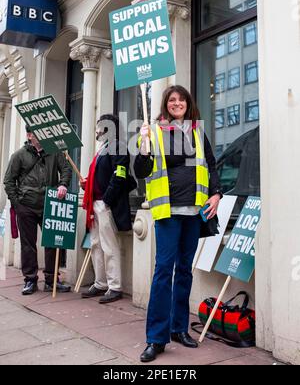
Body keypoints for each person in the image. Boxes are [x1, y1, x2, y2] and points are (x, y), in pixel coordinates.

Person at [134, 85, 222, 362]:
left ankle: (179, 329)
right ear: (165, 104)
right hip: (168, 213)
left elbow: (211, 163)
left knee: (184, 271)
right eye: (171, 100)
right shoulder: (154, 131)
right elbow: (140, 171)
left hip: (194, 212)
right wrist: (143, 147)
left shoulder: (197, 130)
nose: (176, 103)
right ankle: (156, 338)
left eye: (181, 99)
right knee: (163, 272)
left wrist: (216, 194)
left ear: (188, 103)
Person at [3, 125, 72, 295]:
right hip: (26, 205)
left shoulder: (54, 152)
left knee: (53, 243)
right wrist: (17, 203)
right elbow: (9, 181)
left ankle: (51, 280)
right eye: (37, 133)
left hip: (50, 203)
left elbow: (66, 169)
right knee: (28, 245)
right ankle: (30, 280)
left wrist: (63, 184)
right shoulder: (19, 155)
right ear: (29, 135)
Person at [80, 114, 135, 303]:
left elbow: (119, 176)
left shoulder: (118, 147)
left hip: (105, 204)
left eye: (99, 127)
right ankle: (100, 282)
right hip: (95, 203)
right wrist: (86, 184)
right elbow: (102, 177)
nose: (96, 130)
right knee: (96, 244)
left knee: (109, 246)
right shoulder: (103, 149)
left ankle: (115, 286)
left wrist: (106, 200)